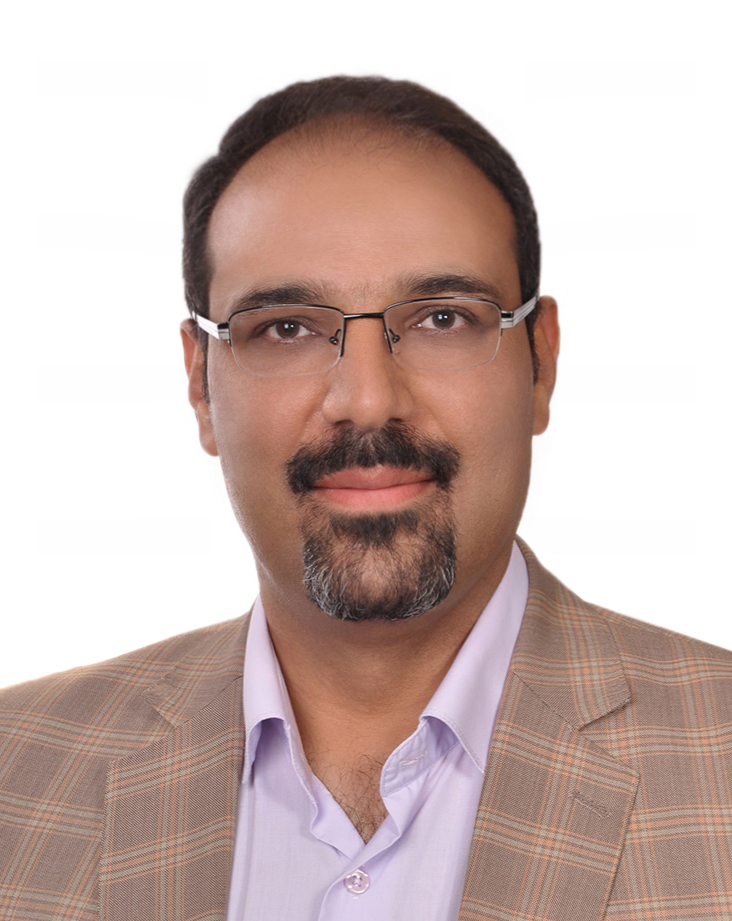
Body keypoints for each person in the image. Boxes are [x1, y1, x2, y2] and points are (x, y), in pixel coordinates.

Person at [1, 75, 730, 921]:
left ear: (542, 362)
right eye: (285, 327)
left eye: (443, 318)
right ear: (200, 385)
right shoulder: (16, 773)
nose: (368, 400)